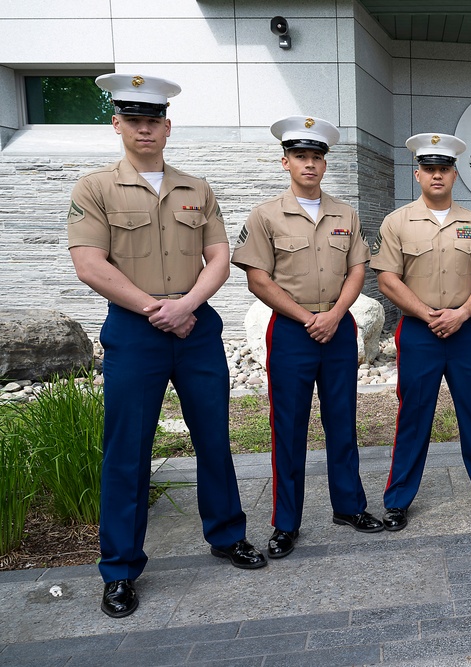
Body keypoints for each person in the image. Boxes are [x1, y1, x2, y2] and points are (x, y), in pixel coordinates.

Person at [67, 74, 265, 619]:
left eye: (153, 120)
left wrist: (186, 307)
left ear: (168, 126)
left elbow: (220, 257)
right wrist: (158, 309)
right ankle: (120, 569)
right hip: (136, 330)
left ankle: (226, 535)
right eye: (134, 119)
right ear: (118, 124)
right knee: (127, 452)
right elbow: (89, 264)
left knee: (214, 440)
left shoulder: (197, 188)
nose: (144, 128)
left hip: (195, 328)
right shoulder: (95, 188)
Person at [231, 115, 383, 559]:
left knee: (342, 421)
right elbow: (257, 279)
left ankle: (349, 506)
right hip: (292, 333)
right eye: (301, 156)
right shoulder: (265, 216)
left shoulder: (345, 214)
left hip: (337, 328)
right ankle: (285, 523)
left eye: (316, 157)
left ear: (325, 163)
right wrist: (305, 317)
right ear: (285, 162)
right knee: (289, 428)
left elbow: (358, 269)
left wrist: (336, 314)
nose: (309, 164)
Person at [370, 132, 471, 531]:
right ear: (417, 174)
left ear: (455, 174)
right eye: (430, 169)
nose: (437, 175)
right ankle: (398, 499)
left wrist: (462, 313)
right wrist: (429, 314)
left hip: (465, 330)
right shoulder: (397, 222)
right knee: (413, 415)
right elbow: (387, 279)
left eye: (445, 169)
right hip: (419, 333)